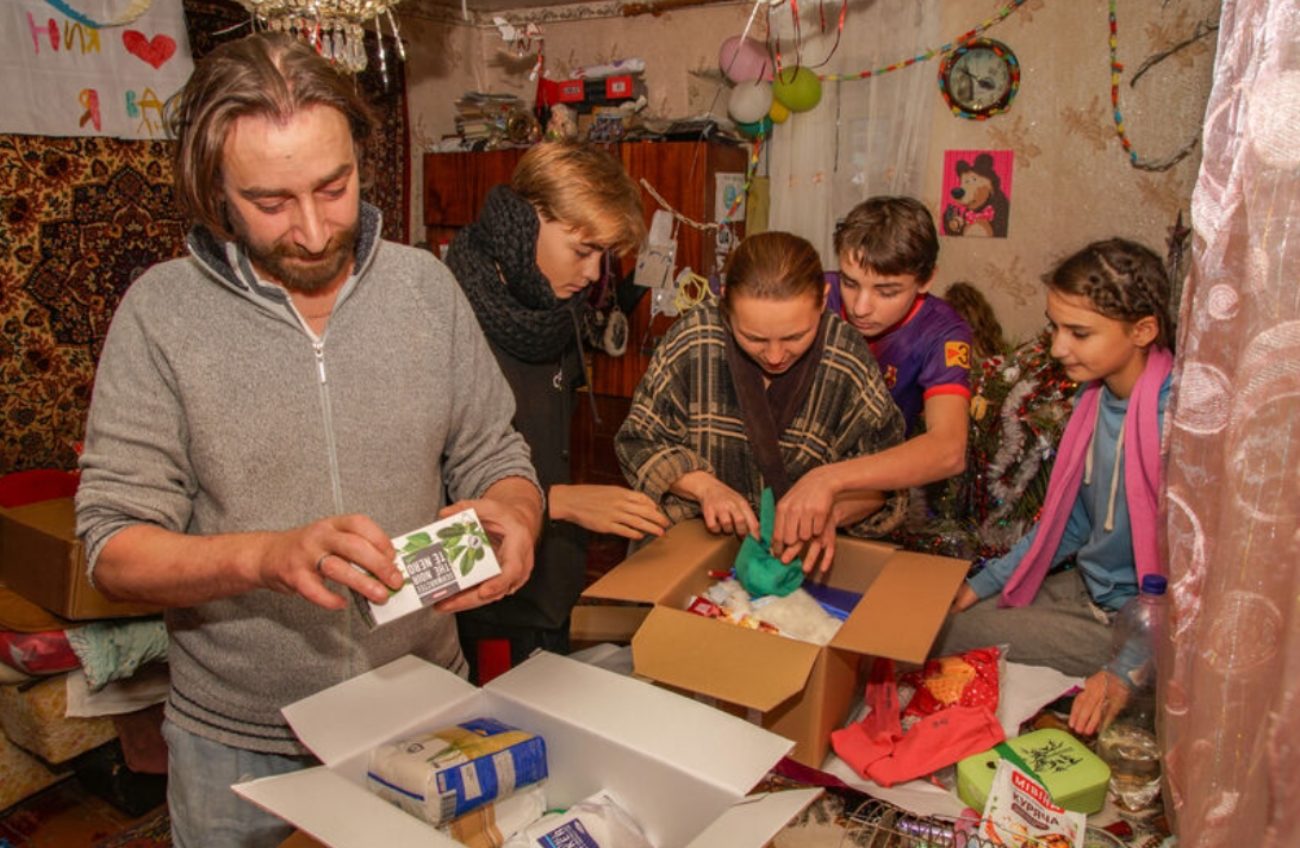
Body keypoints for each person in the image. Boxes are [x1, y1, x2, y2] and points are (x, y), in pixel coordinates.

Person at [74, 34, 543, 848]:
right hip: (241, 745)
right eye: (271, 202)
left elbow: (496, 455)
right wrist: (264, 559)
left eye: (336, 187)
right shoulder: (160, 315)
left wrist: (518, 517)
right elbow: (113, 551)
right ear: (214, 191)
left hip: (421, 711)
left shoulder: (426, 290)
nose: (317, 229)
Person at [444, 142, 670, 682]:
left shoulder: (553, 313)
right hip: (475, 614)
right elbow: (418, 507)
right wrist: (560, 501)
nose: (594, 274)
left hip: (548, 590)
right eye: (583, 250)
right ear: (527, 223)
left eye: (604, 257)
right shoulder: (446, 316)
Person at [935, 238, 1174, 736]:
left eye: (1079, 333)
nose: (1058, 347)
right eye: (1055, 327)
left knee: (947, 636)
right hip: (1087, 588)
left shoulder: (1176, 421)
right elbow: (1066, 526)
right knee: (939, 616)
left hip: (1138, 625)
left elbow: (1190, 583)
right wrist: (981, 584)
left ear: (1144, 330)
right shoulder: (1095, 401)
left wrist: (1125, 670)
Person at [616, 231, 907, 570]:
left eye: (796, 336)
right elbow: (639, 443)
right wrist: (705, 487)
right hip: (687, 542)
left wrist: (831, 511)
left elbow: (884, 478)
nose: (774, 356)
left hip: (798, 557)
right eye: (753, 337)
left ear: (824, 299)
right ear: (725, 303)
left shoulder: (846, 354)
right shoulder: (693, 338)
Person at [771, 196, 974, 559]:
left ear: (926, 279)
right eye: (851, 283)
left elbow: (948, 450)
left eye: (887, 291)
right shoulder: (816, 293)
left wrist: (829, 479)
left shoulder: (942, 332)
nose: (861, 307)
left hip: (876, 481)